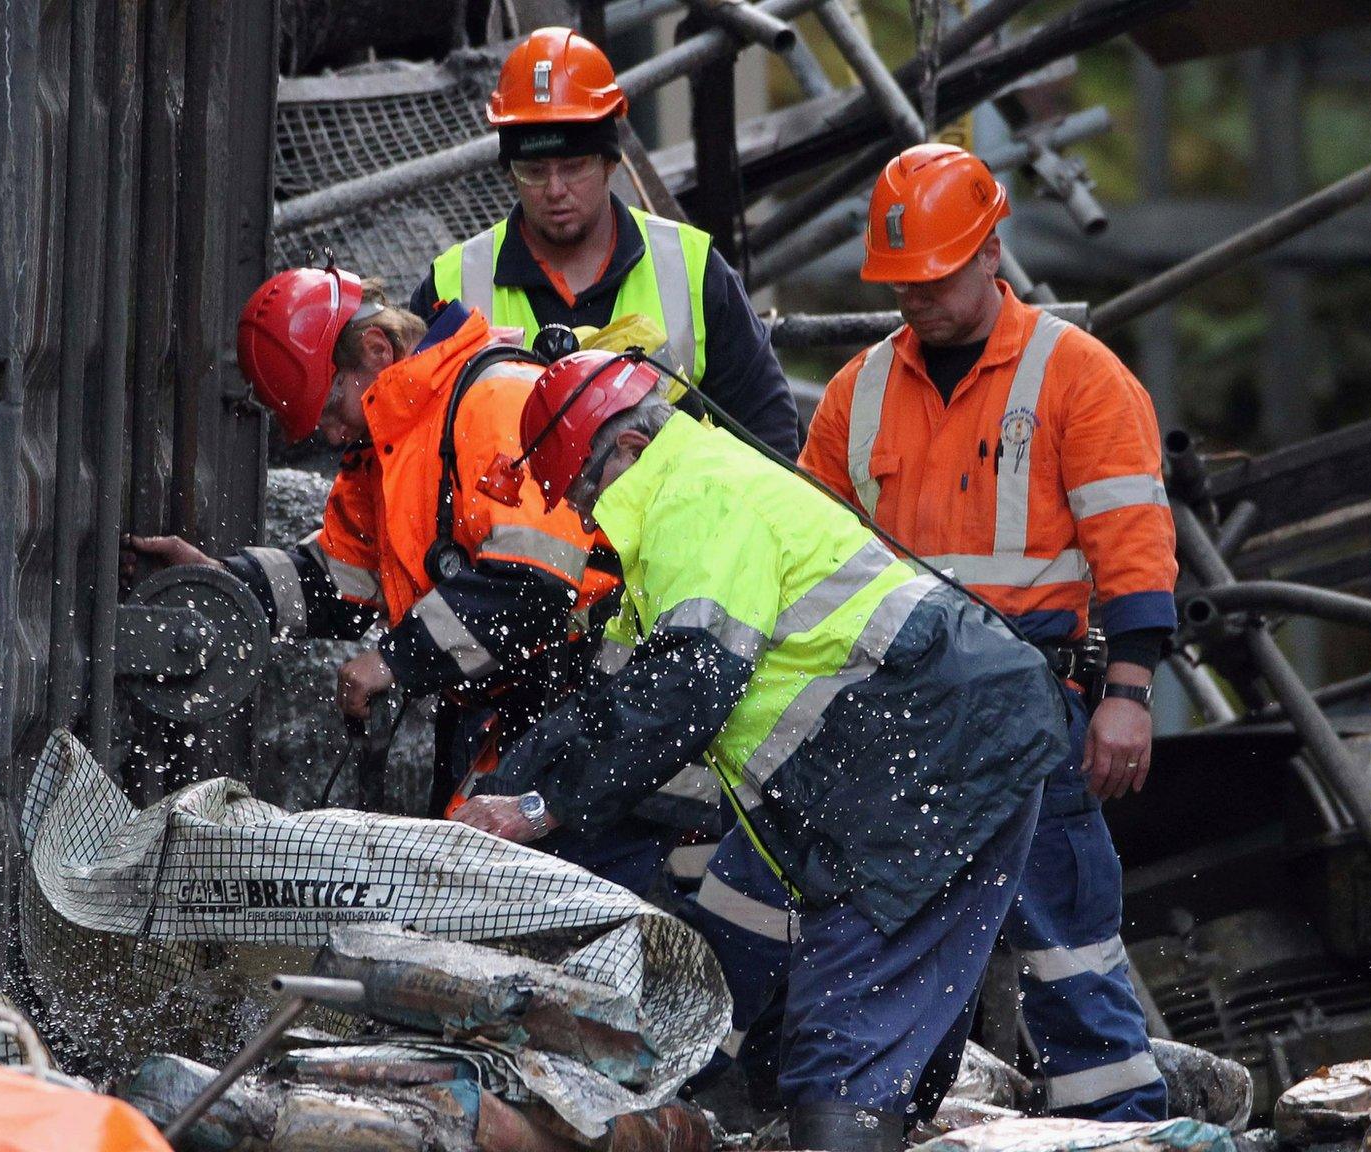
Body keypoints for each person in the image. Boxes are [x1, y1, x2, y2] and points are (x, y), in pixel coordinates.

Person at [452, 350, 1071, 1152]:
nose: (589, 515)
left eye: (586, 489)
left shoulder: (697, 498)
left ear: (632, 450)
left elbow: (683, 686)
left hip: (932, 752)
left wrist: (537, 807)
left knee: (841, 1051)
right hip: (950, 746)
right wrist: (524, 782)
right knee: (873, 1049)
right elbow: (626, 698)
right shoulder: (697, 501)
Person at [798, 143, 1176, 1122]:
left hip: (1027, 714)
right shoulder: (857, 394)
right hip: (895, 725)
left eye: (932, 276)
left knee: (1064, 950)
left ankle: (1122, 1132)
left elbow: (1132, 547)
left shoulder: (1076, 379)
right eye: (900, 284)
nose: (915, 298)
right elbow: (805, 558)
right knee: (887, 948)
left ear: (988, 250)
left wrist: (1126, 695)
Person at [127, 265, 624, 835]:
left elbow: (533, 585)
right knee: (478, 892)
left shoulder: (496, 401)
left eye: (332, 410)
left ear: (376, 349)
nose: (333, 437)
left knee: (547, 902)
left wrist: (393, 661)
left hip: (604, 701)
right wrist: (224, 584)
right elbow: (343, 580)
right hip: (526, 709)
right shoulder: (392, 444)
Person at [410, 27, 800, 458]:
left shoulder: (690, 267)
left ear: (610, 161)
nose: (555, 189)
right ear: (509, 169)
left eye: (573, 166)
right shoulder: (452, 285)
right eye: (534, 171)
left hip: (664, 522)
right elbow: (407, 444)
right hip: (506, 526)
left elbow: (769, 435)